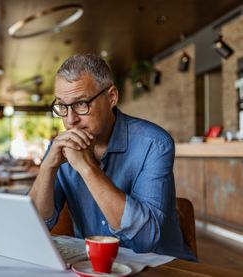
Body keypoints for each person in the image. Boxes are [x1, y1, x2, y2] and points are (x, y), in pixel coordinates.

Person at [29, 54, 196, 261]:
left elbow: (146, 240)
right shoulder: (60, 148)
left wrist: (87, 168)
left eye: (81, 104)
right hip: (95, 267)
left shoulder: (154, 143)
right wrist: (47, 168)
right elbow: (34, 228)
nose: (70, 120)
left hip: (160, 267)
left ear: (112, 97)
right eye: (62, 106)